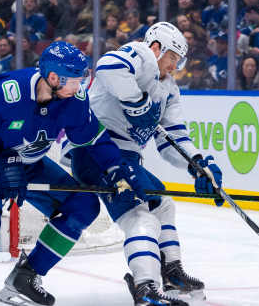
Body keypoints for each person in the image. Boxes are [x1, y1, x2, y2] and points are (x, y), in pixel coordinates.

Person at [0, 41, 147, 306]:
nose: (79, 86)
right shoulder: (7, 91)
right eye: (74, 80)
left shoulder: (74, 101)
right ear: (53, 77)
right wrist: (2, 161)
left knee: (82, 205)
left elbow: (94, 138)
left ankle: (26, 277)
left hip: (28, 162)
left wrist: (116, 169)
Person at [68, 22, 223, 306]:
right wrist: (137, 102)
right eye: (172, 57)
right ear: (156, 48)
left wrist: (197, 164)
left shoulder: (169, 91)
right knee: (139, 213)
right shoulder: (140, 55)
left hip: (125, 158)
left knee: (162, 203)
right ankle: (145, 287)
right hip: (98, 152)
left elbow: (172, 140)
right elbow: (107, 66)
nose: (174, 66)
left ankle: (171, 272)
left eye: (179, 61)